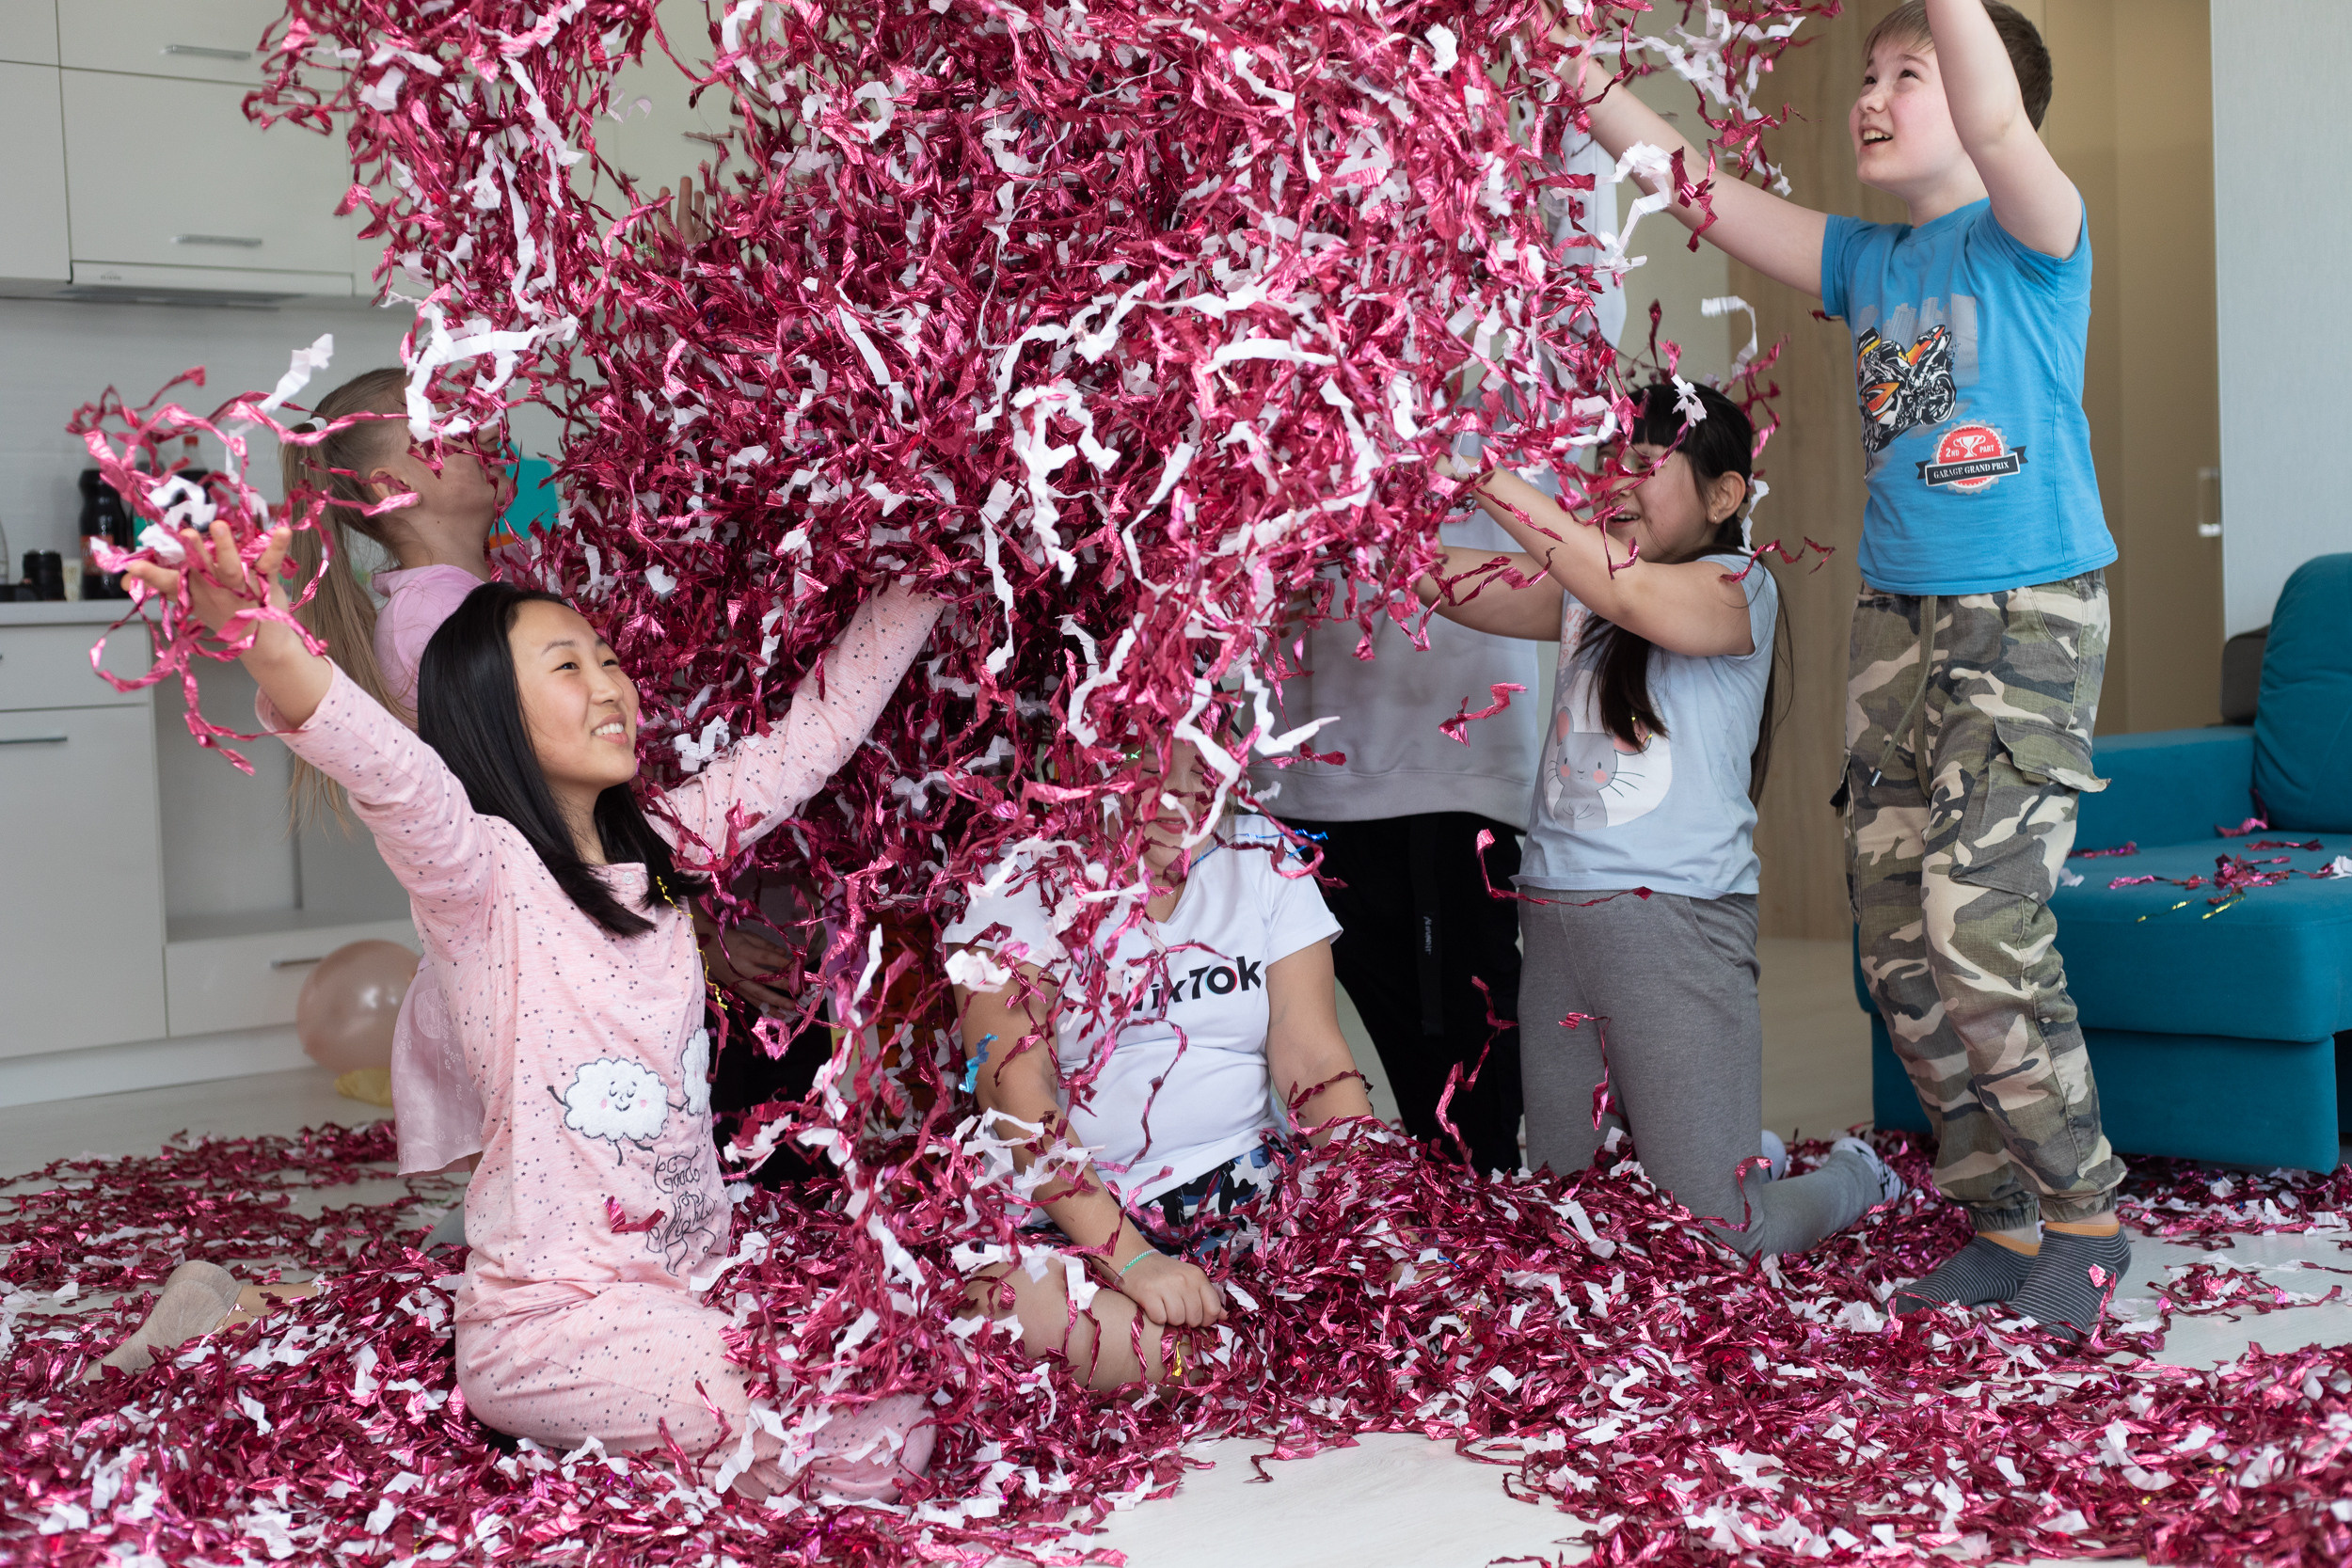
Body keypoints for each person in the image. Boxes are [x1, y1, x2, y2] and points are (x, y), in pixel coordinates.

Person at [122, 518, 942, 1498]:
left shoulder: (666, 848)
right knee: (859, 1438)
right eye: (567, 666)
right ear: (494, 715)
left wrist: (936, 561)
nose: (611, 685)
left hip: (691, 1285)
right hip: (552, 1323)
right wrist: (261, 631)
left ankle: (262, 1314)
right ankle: (578, 1426)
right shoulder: (479, 874)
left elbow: (811, 735)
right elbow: (387, 768)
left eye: (608, 660)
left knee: (900, 1394)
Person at [1565, 0, 2128, 1336]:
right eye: (1867, 75)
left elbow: (1995, 119)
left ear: (1983, 99)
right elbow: (1695, 190)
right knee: (1897, 948)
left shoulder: (2034, 230)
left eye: (1906, 75)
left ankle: (2087, 1216)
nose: (1871, 97)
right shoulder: (1867, 263)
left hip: (2026, 613)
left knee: (1978, 929)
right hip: (1896, 619)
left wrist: (1957, 45)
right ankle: (1999, 1213)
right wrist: (1572, 73)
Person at [281, 366, 807, 1191]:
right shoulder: (435, 624)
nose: (484, 434)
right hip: (555, 947)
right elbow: (548, 822)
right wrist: (698, 937)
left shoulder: (480, 590)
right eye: (448, 434)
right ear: (391, 486)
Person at [1419, 381, 1900, 1259]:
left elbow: (1633, 593)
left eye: (1647, 462)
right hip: (1556, 921)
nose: (1621, 479)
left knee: (1724, 1240)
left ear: (1724, 495)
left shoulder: (1739, 585)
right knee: (1571, 1222)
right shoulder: (1588, 592)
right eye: (1614, 462)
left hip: (1676, 924)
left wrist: (1478, 471)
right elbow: (1459, 584)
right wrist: (1357, 517)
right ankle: (1721, 1146)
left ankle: (1854, 1178)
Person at [1250, 135, 1628, 1180]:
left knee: (1462, 1122)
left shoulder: (1511, 326)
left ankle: (1479, 1258)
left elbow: (1587, 300)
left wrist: (1561, 100)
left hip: (1438, 788)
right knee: (1282, 1103)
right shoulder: (1285, 292)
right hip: (1276, 792)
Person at [944, 739, 1378, 1384]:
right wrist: (1132, 1261)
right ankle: (1248, 1356)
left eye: (1203, 758)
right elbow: (1014, 1098)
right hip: (1076, 1222)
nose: (1181, 790)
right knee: (1003, 1312)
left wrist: (1370, 1202)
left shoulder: (1263, 855)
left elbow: (1312, 1055)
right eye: (1148, 758)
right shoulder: (1015, 882)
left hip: (1252, 1191)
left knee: (1411, 1267)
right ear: (1084, 754)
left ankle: (1224, 1353)